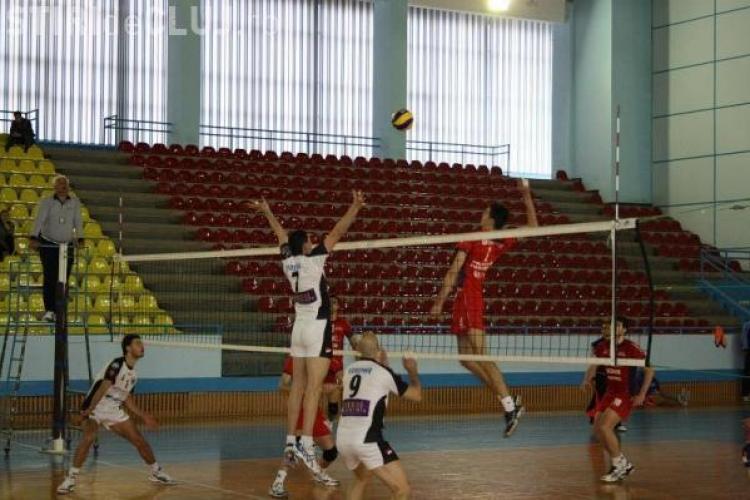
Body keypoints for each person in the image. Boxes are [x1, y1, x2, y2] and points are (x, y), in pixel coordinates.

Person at [253, 191, 365, 478]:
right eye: (311, 240)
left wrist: (267, 212)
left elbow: (280, 237)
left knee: (298, 388)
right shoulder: (313, 259)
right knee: (313, 389)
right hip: (316, 327)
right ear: (305, 245)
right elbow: (337, 232)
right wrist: (355, 207)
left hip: (298, 329)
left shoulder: (287, 261)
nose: (314, 242)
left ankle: (291, 441)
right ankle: (305, 442)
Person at [430, 178, 538, 436]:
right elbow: (533, 227)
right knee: (467, 359)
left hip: (470, 299)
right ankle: (508, 400)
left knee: (481, 355)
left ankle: (509, 407)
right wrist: (526, 196)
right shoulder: (501, 239)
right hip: (467, 299)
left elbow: (453, 271)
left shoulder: (474, 239)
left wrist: (438, 302)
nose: (481, 214)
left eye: (485, 211)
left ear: (490, 219)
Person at [57, 335, 174, 495]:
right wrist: (88, 411)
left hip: (113, 409)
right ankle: (70, 479)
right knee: (89, 437)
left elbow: (126, 398)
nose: (142, 346)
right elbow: (102, 388)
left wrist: (144, 416)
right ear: (128, 348)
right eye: (137, 343)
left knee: (139, 440)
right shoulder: (117, 364)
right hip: (96, 406)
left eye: (141, 343)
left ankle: (156, 472)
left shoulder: (133, 375)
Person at [336, 332, 422, 500]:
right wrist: (412, 371)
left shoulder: (349, 371)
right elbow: (417, 395)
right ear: (379, 351)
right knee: (402, 491)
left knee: (361, 478)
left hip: (343, 439)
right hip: (367, 440)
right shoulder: (384, 372)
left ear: (358, 351)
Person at [581, 317, 654, 483]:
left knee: (605, 427)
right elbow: (594, 364)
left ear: (624, 330)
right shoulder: (602, 346)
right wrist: (586, 379)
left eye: (617, 325)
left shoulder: (631, 347)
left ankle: (618, 465)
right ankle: (622, 463)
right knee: (598, 430)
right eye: (611, 325)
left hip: (625, 394)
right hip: (610, 392)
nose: (612, 328)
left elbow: (650, 370)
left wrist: (642, 394)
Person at [270, 356, 340, 498]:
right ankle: (278, 483)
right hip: (300, 410)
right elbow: (282, 385)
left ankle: (318, 472)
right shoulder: (296, 358)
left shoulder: (324, 358)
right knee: (295, 448)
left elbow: (331, 384)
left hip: (314, 410)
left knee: (331, 451)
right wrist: (302, 391)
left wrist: (331, 388)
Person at [29, 175, 83, 322]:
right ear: (54, 187)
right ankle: (49, 310)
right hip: (49, 244)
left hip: (67, 245)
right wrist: (33, 237)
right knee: (50, 277)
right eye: (60, 183)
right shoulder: (47, 202)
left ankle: (61, 310)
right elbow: (39, 220)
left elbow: (78, 220)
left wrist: (80, 238)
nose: (63, 186)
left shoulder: (75, 202)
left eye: (65, 183)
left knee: (64, 279)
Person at [324, 296, 360, 420]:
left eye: (334, 302)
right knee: (315, 392)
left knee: (336, 396)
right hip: (321, 362)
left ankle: (333, 420)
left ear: (338, 306)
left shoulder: (343, 323)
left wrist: (359, 355)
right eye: (329, 302)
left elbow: (354, 342)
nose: (331, 304)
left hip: (337, 366)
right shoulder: (320, 321)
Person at [742, 320, 750, 403]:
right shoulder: (747, 325)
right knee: (747, 373)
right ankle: (745, 394)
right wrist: (746, 348)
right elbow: (744, 338)